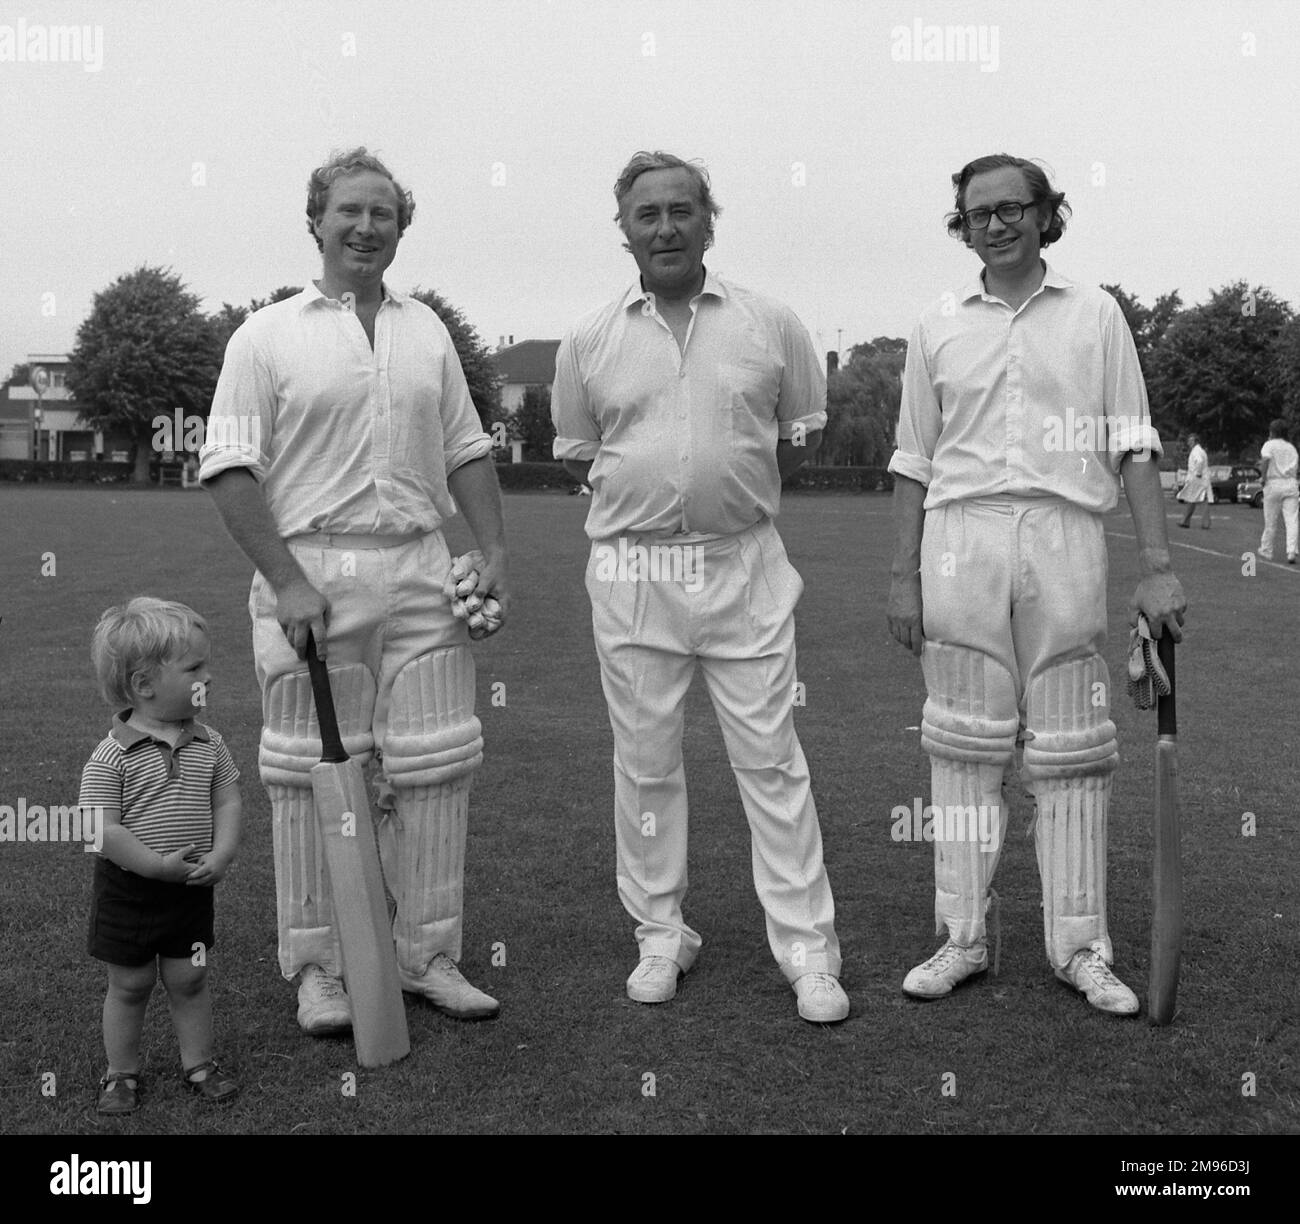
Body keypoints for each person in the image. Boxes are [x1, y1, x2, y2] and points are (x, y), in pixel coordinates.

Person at [198, 147, 508, 1032]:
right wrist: (287, 582)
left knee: (438, 765)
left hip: (419, 561)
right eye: (350, 212)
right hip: (312, 573)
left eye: (383, 213)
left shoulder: (427, 331)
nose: (366, 227)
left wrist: (491, 551)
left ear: (401, 227)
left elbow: (466, 449)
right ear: (317, 221)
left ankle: (429, 956)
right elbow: (228, 467)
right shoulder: (266, 335)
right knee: (311, 776)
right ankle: (320, 969)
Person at [551, 151, 848, 1023]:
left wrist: (724, 502)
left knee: (771, 760)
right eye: (648, 214)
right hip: (634, 570)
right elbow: (582, 454)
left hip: (744, 566)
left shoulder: (770, 323)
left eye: (683, 210)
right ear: (625, 229)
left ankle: (806, 950)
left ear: (710, 220)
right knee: (645, 766)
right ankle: (659, 934)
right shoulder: (589, 339)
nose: (667, 227)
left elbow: (796, 438)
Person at [886, 154, 1187, 1016]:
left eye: (1013, 208)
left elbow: (1133, 442)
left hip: (1065, 533)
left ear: (1047, 214)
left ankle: (1081, 948)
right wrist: (902, 577)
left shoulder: (1096, 315)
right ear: (962, 224)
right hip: (961, 537)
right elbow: (913, 458)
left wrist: (1159, 568)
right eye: (978, 212)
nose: (996, 223)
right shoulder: (936, 321)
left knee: (1070, 751)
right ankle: (961, 938)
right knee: (963, 747)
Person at [80, 598, 242, 1114]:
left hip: (191, 887)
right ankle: (121, 1074)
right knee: (130, 983)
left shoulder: (208, 742)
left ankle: (199, 1064)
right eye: (195, 668)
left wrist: (223, 851)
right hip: (130, 891)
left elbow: (228, 798)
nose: (208, 677)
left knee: (189, 976)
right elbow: (99, 828)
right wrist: (154, 865)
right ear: (145, 685)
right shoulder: (112, 754)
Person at [1258, 418, 1299, 564]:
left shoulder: (1269, 445)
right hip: (1291, 483)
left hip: (1273, 483)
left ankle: (1267, 549)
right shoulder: (1291, 447)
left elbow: (1266, 460)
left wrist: (1263, 478)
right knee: (1292, 519)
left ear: (1272, 431)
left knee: (1270, 519)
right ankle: (1291, 551)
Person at [1177, 433, 1212, 529]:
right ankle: (1186, 521)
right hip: (1200, 479)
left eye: (1190, 441)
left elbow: (1199, 461)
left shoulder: (1196, 451)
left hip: (1197, 479)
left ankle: (1190, 522)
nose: (1188, 443)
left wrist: (1198, 473)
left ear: (1195, 441)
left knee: (1194, 499)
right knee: (1193, 499)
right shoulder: (1200, 450)